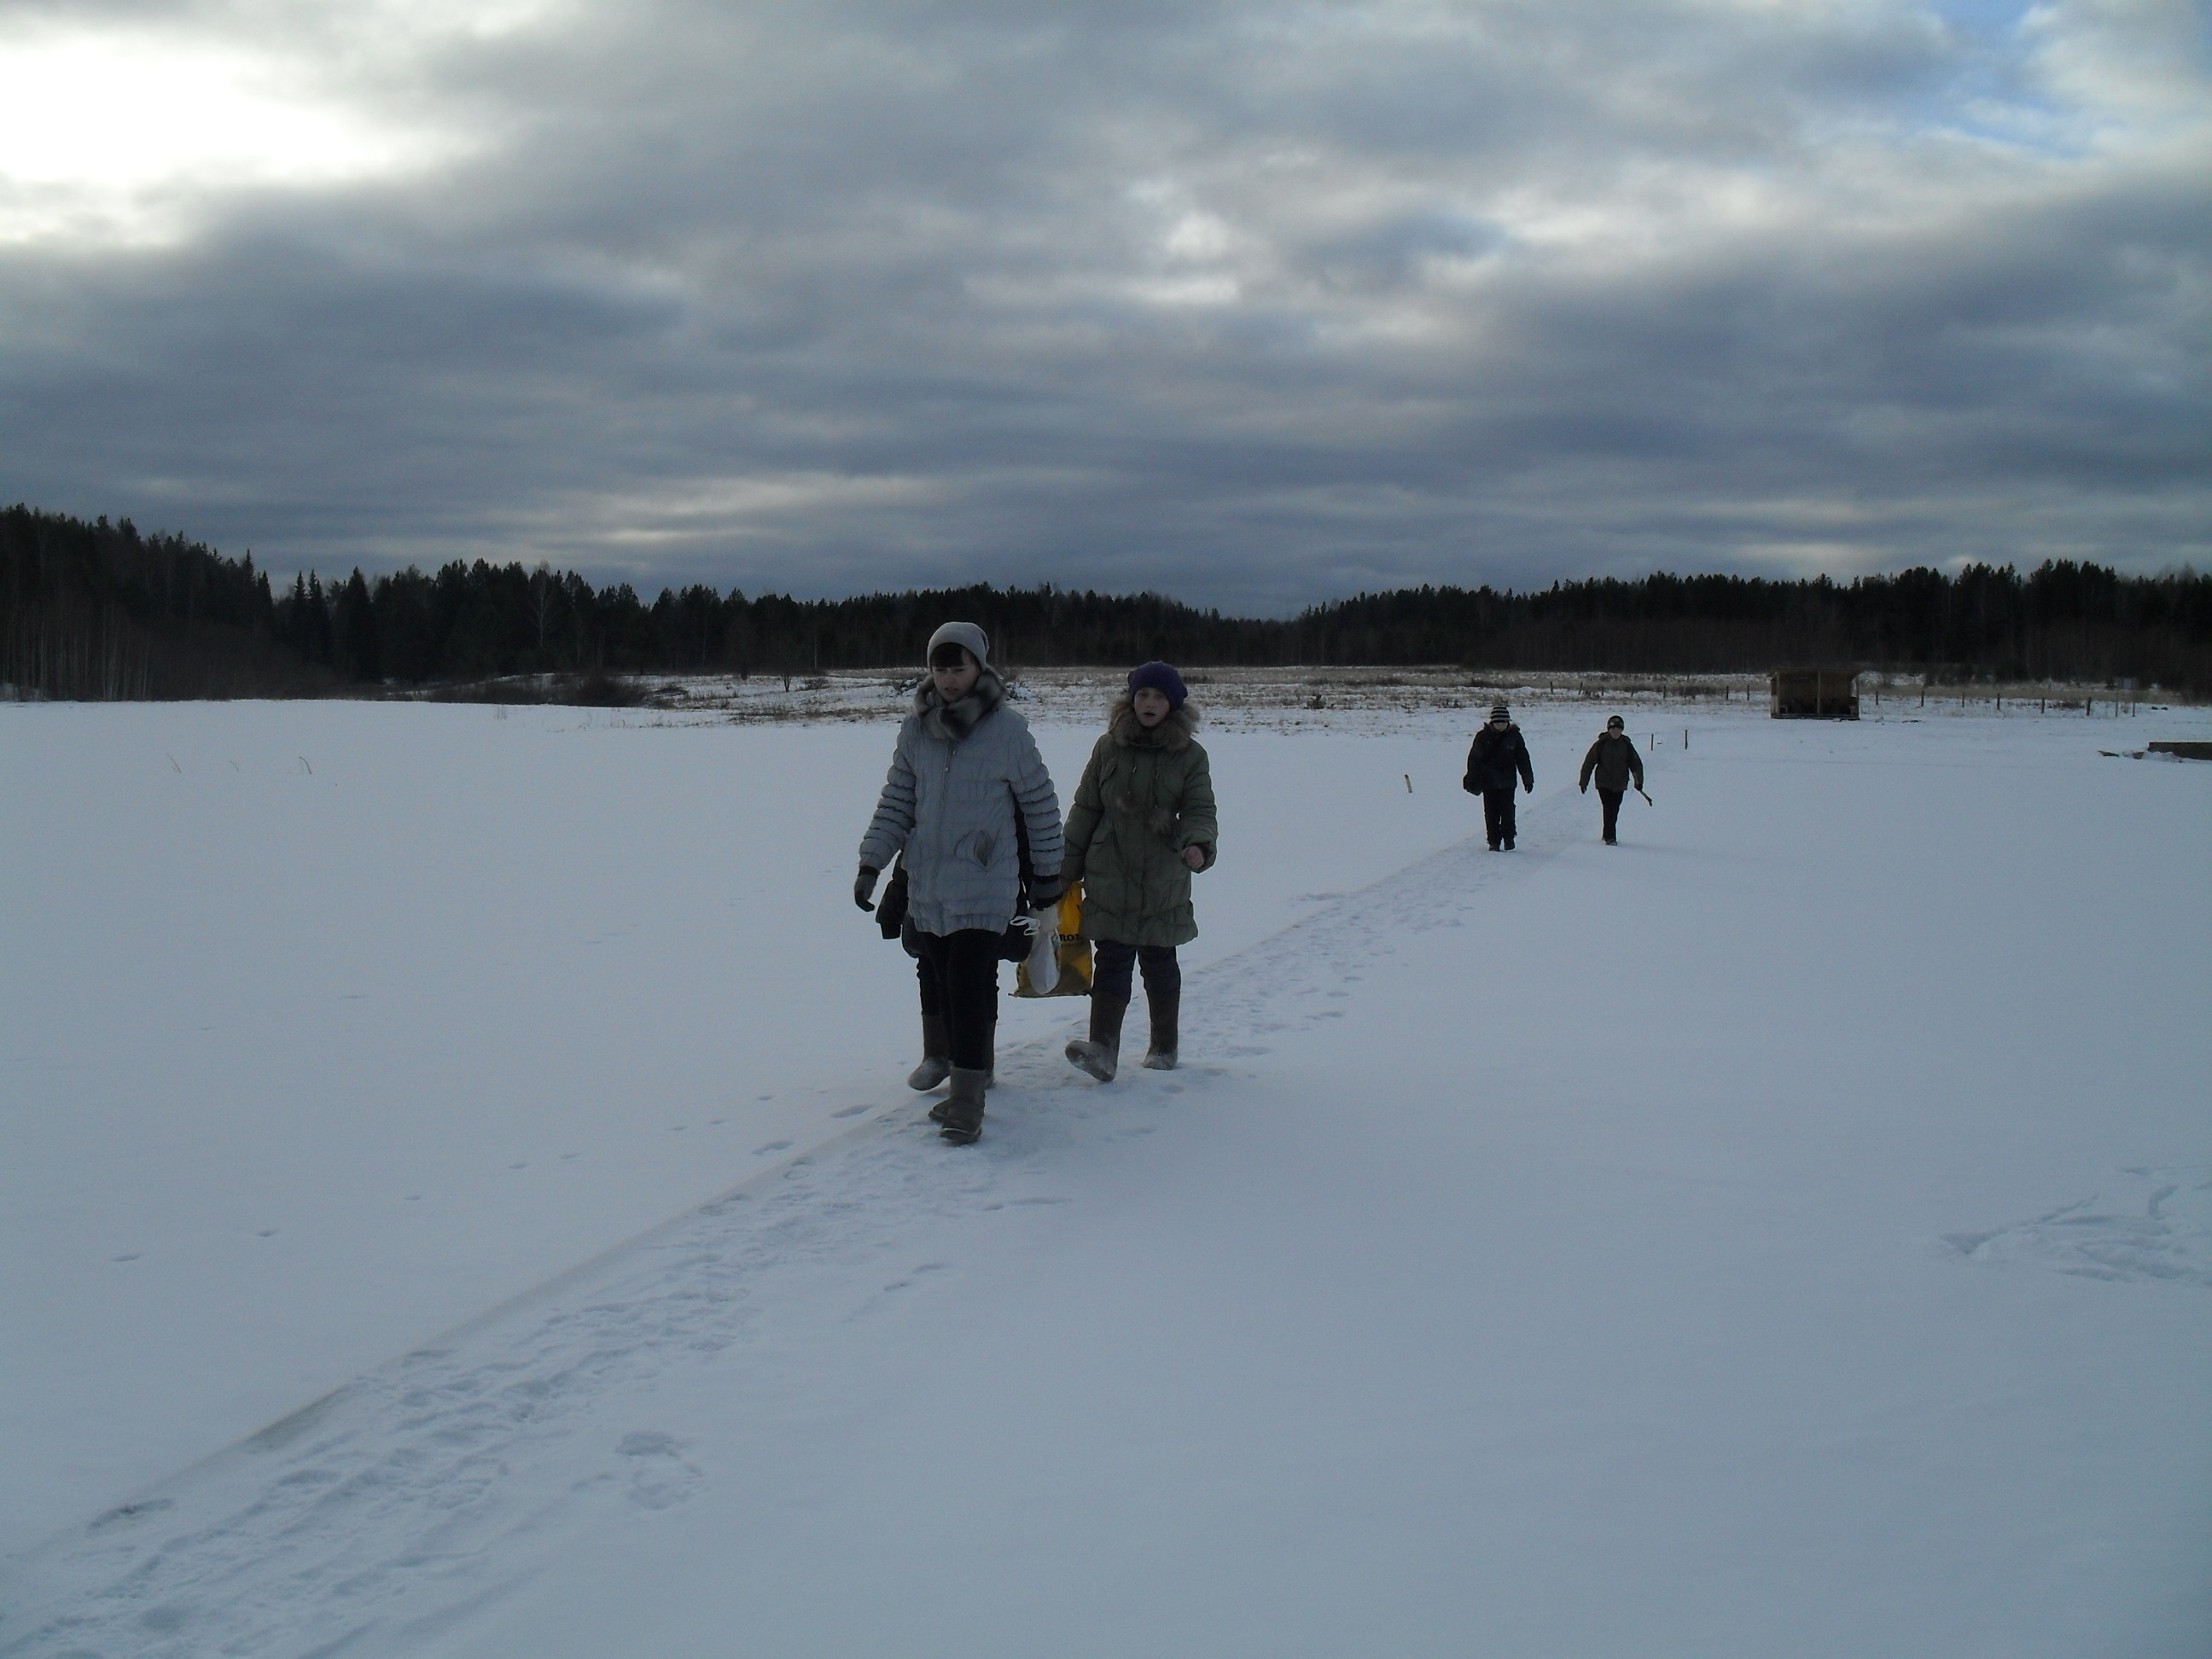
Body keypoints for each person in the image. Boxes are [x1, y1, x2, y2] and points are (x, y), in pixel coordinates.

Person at [856, 623, 1062, 1144]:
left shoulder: (1008, 731)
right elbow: (897, 802)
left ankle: (968, 1102)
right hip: (930, 883)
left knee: (969, 986)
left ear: (980, 667)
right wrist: (871, 864)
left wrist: (1046, 877)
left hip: (985, 880)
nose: (949, 679)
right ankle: (960, 1065)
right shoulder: (916, 731)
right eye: (941, 668)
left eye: (959, 667)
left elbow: (1040, 806)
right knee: (942, 980)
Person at [1060, 661, 1217, 1082]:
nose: (1149, 704)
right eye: (1143, 695)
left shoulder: (1189, 756)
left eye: (1159, 697)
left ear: (1174, 705)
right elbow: (1086, 809)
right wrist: (1063, 868)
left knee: (1159, 959)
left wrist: (1198, 845)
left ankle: (1164, 1047)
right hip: (1109, 871)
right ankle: (1103, 1051)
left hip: (1162, 876)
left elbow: (1200, 809)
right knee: (1111, 959)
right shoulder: (1108, 748)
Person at [1463, 701, 1534, 850]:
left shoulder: (1515, 737)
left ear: (1508, 722)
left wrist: (1527, 779)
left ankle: (1509, 838)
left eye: (1503, 722)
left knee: (1508, 810)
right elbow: (1474, 759)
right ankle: (1493, 841)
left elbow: (1523, 758)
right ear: (1492, 722)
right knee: (1491, 811)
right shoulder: (1483, 737)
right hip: (1488, 780)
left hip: (1507, 781)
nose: (1500, 725)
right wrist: (1471, 778)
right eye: (1497, 722)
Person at [1578, 714, 1645, 846]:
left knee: (1614, 809)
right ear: (1608, 730)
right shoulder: (1601, 744)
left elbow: (1636, 764)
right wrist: (1584, 781)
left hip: (1620, 783)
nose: (1615, 732)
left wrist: (1638, 781)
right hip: (1603, 782)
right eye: (1613, 729)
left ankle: (1606, 834)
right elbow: (1589, 762)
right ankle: (1610, 837)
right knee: (1608, 807)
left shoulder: (1626, 745)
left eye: (1618, 730)